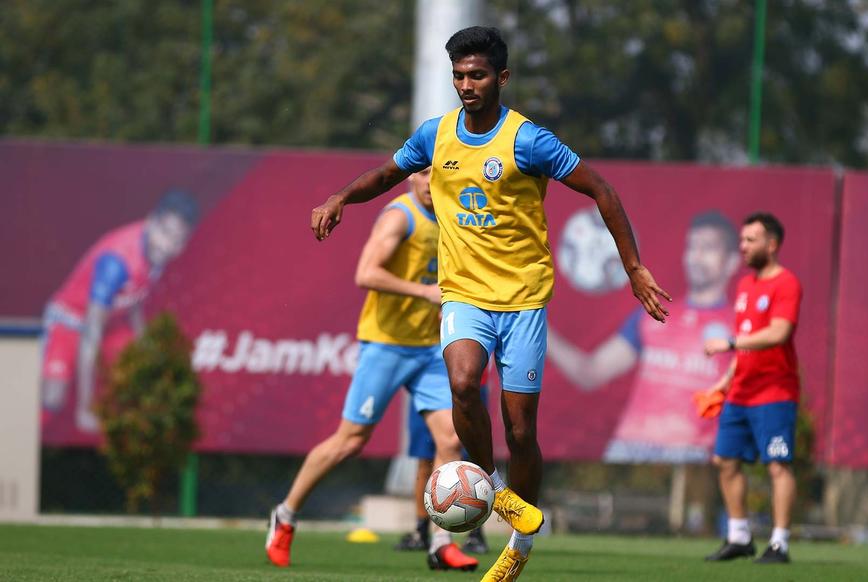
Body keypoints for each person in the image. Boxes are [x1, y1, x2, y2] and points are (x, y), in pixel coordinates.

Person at [309, 26, 670, 582]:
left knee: (521, 430)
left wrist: (634, 268)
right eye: (458, 75)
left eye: (476, 75)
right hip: (465, 295)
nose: (465, 85)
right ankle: (495, 494)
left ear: (501, 78)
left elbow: (603, 190)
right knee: (461, 383)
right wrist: (339, 197)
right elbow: (386, 174)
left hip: (524, 299)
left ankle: (520, 545)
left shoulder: (529, 140)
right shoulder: (437, 135)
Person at [266, 169, 479, 572]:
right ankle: (286, 515)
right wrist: (424, 292)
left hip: (430, 348)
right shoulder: (400, 216)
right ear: (412, 177)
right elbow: (366, 272)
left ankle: (439, 543)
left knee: (450, 439)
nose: (433, 181)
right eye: (426, 173)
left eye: (441, 172)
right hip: (386, 345)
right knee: (350, 441)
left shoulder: (453, 217)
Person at [548, 211, 740, 463]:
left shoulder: (740, 326)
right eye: (692, 246)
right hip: (626, 450)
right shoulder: (654, 311)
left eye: (709, 248)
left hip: (691, 456)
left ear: (732, 261)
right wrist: (536, 324)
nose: (697, 256)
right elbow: (590, 373)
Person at [41, 189, 199, 438]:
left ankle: (138, 447)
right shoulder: (116, 262)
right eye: (166, 234)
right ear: (151, 222)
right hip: (71, 322)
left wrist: (144, 344)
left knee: (146, 369)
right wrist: (85, 408)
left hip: (110, 322)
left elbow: (135, 298)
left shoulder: (158, 253)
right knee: (51, 399)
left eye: (178, 240)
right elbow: (90, 333)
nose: (169, 245)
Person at [702, 212, 803, 564]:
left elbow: (778, 333)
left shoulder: (786, 283)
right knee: (725, 461)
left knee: (778, 464)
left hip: (775, 392)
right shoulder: (746, 286)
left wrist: (728, 342)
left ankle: (779, 543)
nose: (742, 247)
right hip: (741, 392)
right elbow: (747, 343)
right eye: (742, 240)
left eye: (750, 240)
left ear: (771, 244)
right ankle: (740, 536)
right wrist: (724, 381)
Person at [394, 368, 491, 555]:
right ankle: (421, 530)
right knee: (424, 458)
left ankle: (475, 533)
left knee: (474, 460)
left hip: (469, 383)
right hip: (426, 383)